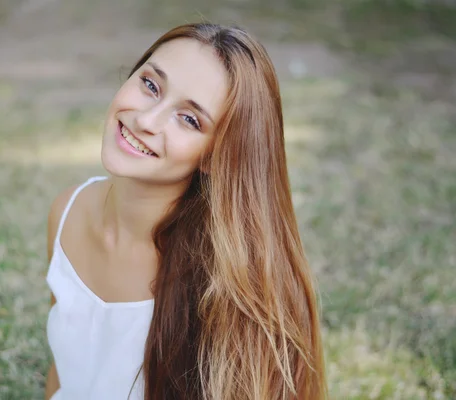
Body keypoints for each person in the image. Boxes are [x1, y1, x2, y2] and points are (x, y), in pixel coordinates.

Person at [44, 23, 327, 400]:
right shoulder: (68, 212)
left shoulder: (228, 283)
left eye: (189, 119)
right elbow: (62, 372)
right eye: (150, 85)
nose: (146, 120)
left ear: (214, 155)